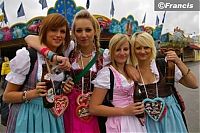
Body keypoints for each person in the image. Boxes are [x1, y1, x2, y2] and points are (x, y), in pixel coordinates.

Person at [3, 13, 71, 133]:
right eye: (53, 30)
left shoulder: (63, 57)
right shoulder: (28, 57)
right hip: (27, 116)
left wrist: (64, 88)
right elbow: (7, 97)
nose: (58, 35)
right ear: (44, 32)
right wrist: (32, 93)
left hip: (52, 116)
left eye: (62, 31)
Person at [129, 31, 198, 133]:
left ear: (152, 48)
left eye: (146, 47)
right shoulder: (131, 71)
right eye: (138, 48)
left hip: (171, 118)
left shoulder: (163, 65)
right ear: (133, 50)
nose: (142, 51)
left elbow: (194, 84)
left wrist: (178, 62)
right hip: (147, 122)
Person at [89, 33, 147, 133]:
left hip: (135, 121)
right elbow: (93, 108)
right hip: (118, 122)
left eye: (125, 49)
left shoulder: (130, 69)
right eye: (118, 50)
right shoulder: (106, 74)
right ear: (111, 51)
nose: (122, 53)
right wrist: (125, 111)